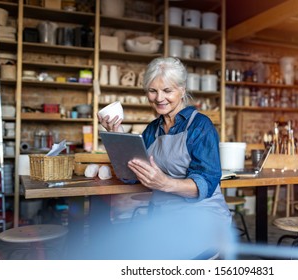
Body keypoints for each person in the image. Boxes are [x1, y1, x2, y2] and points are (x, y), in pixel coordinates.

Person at [98, 57, 232, 259]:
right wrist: (118, 135)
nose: (159, 98)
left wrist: (165, 183)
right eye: (153, 91)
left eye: (167, 91)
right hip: (163, 217)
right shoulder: (153, 129)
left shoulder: (200, 126)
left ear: (182, 90)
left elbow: (206, 183)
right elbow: (131, 175)